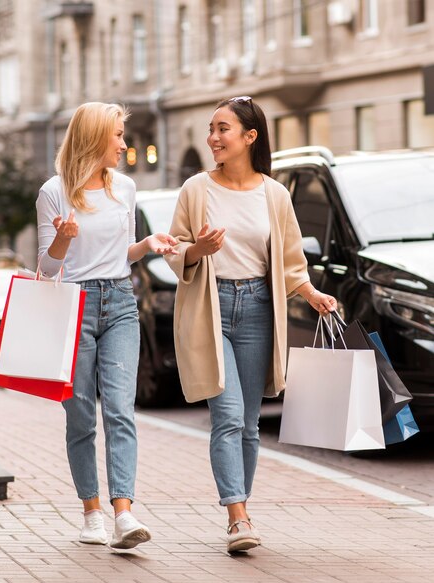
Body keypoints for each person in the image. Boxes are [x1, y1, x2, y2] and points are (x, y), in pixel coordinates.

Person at [166, 96, 337, 553]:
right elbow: (174, 250)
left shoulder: (274, 194)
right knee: (225, 415)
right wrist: (197, 250)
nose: (213, 138)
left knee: (247, 422)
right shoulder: (196, 189)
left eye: (223, 129)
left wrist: (312, 293)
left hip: (259, 307)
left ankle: (241, 507)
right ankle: (237, 516)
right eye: (211, 128)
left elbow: (289, 262)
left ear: (249, 136)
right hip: (210, 307)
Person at [36, 102, 177, 549]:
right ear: (95, 138)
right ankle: (91, 511)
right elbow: (45, 266)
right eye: (117, 135)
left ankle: (123, 513)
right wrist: (62, 237)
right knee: (80, 415)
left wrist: (147, 245)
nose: (123, 143)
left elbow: (121, 254)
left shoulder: (126, 187)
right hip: (73, 304)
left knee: (120, 409)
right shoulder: (53, 192)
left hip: (119, 300)